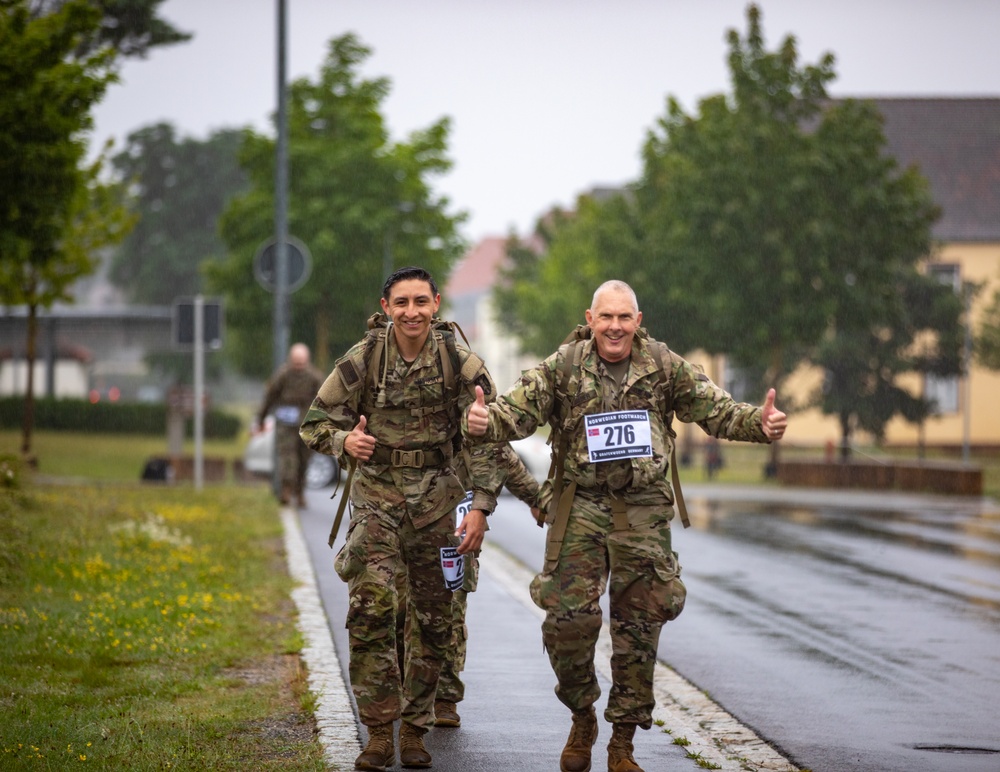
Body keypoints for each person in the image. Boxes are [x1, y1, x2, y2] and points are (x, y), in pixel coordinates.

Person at [463, 280, 787, 772]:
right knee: (567, 621)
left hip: (642, 513)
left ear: (638, 320)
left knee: (639, 629)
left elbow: (713, 408)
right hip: (581, 508)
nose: (615, 327)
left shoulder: (662, 365)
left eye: (625, 317)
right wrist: (489, 420)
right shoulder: (565, 365)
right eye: (606, 317)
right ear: (590, 319)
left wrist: (758, 424)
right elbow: (518, 409)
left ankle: (622, 743)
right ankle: (582, 714)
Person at [300, 266, 501, 771]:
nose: (412, 312)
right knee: (370, 608)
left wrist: (480, 507)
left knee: (434, 621)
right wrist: (344, 441)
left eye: (421, 302)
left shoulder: (460, 359)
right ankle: (377, 732)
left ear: (435, 304)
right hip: (377, 495)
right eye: (401, 303)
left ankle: (414, 729)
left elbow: (487, 434)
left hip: (437, 500)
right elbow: (314, 422)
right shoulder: (364, 357)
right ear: (386, 307)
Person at [395, 442, 541, 729]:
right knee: (398, 607)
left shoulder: (469, 410)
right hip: (401, 515)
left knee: (450, 607)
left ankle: (445, 696)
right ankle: (404, 687)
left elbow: (500, 451)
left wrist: (536, 498)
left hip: (455, 519)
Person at [255, 342, 324, 507]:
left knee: (303, 459)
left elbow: (324, 401)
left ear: (307, 361)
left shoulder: (315, 377)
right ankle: (286, 489)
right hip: (286, 423)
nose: (299, 367)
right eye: (296, 363)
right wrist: (261, 418)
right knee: (287, 457)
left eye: (301, 364)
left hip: (307, 424)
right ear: (290, 361)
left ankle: (299, 492)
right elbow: (270, 397)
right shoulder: (282, 375)